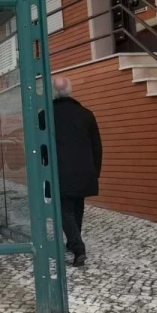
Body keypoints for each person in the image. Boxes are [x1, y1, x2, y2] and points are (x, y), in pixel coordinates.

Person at [51, 76, 102, 267]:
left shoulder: (46, 115)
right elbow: (97, 146)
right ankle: (74, 243)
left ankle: (78, 247)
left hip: (60, 171)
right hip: (84, 170)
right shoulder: (86, 114)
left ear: (53, 93)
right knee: (77, 207)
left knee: (65, 210)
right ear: (70, 91)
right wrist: (95, 171)